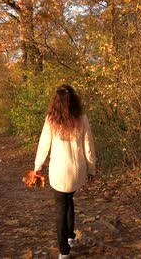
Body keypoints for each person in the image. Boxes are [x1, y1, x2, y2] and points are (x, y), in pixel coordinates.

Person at [34, 84, 96, 259]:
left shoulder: (51, 119)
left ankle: (64, 252)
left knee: (61, 207)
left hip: (59, 173)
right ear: (74, 99)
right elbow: (89, 146)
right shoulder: (82, 118)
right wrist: (92, 169)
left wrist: (37, 166)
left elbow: (43, 145)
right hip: (77, 172)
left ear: (56, 101)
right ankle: (70, 237)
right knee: (69, 199)